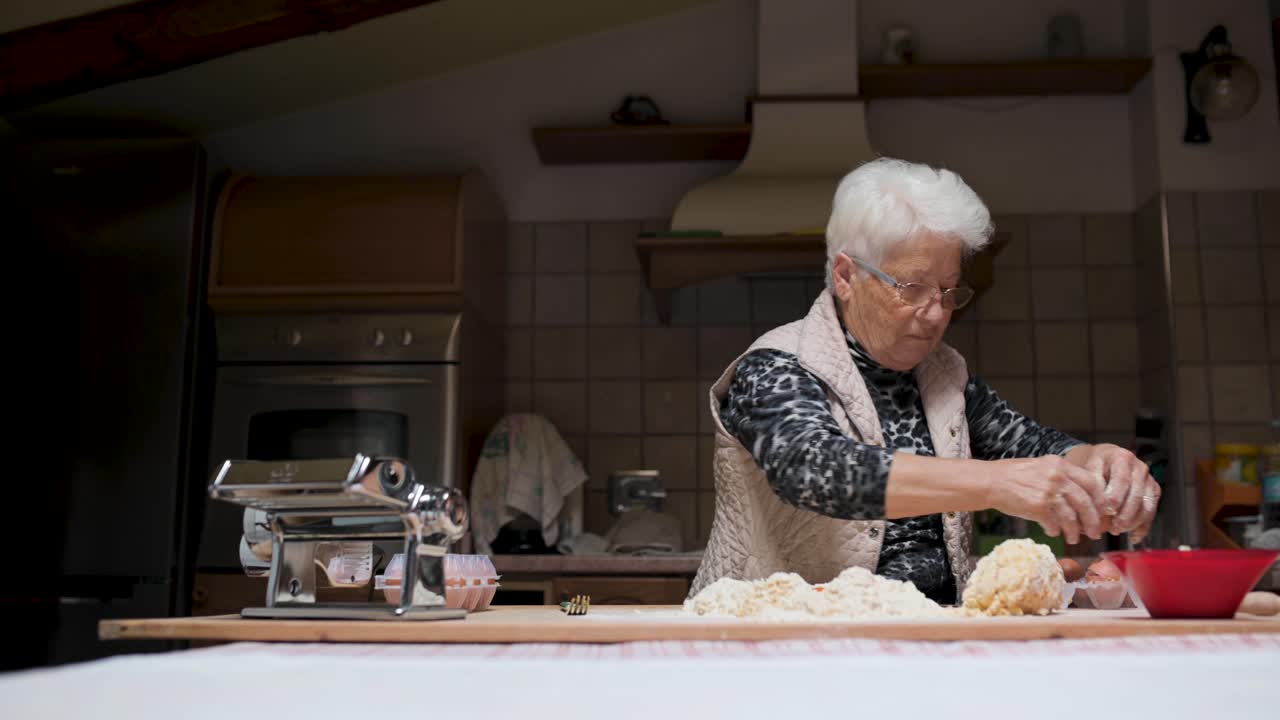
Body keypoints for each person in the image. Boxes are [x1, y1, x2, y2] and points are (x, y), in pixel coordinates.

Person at [692, 158, 1160, 603]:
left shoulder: (942, 374)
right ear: (846, 276)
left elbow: (1028, 444)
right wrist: (995, 484)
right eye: (912, 289)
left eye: (949, 291)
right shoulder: (776, 365)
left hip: (925, 638)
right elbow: (817, 470)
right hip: (778, 642)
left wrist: (1097, 462)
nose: (936, 314)